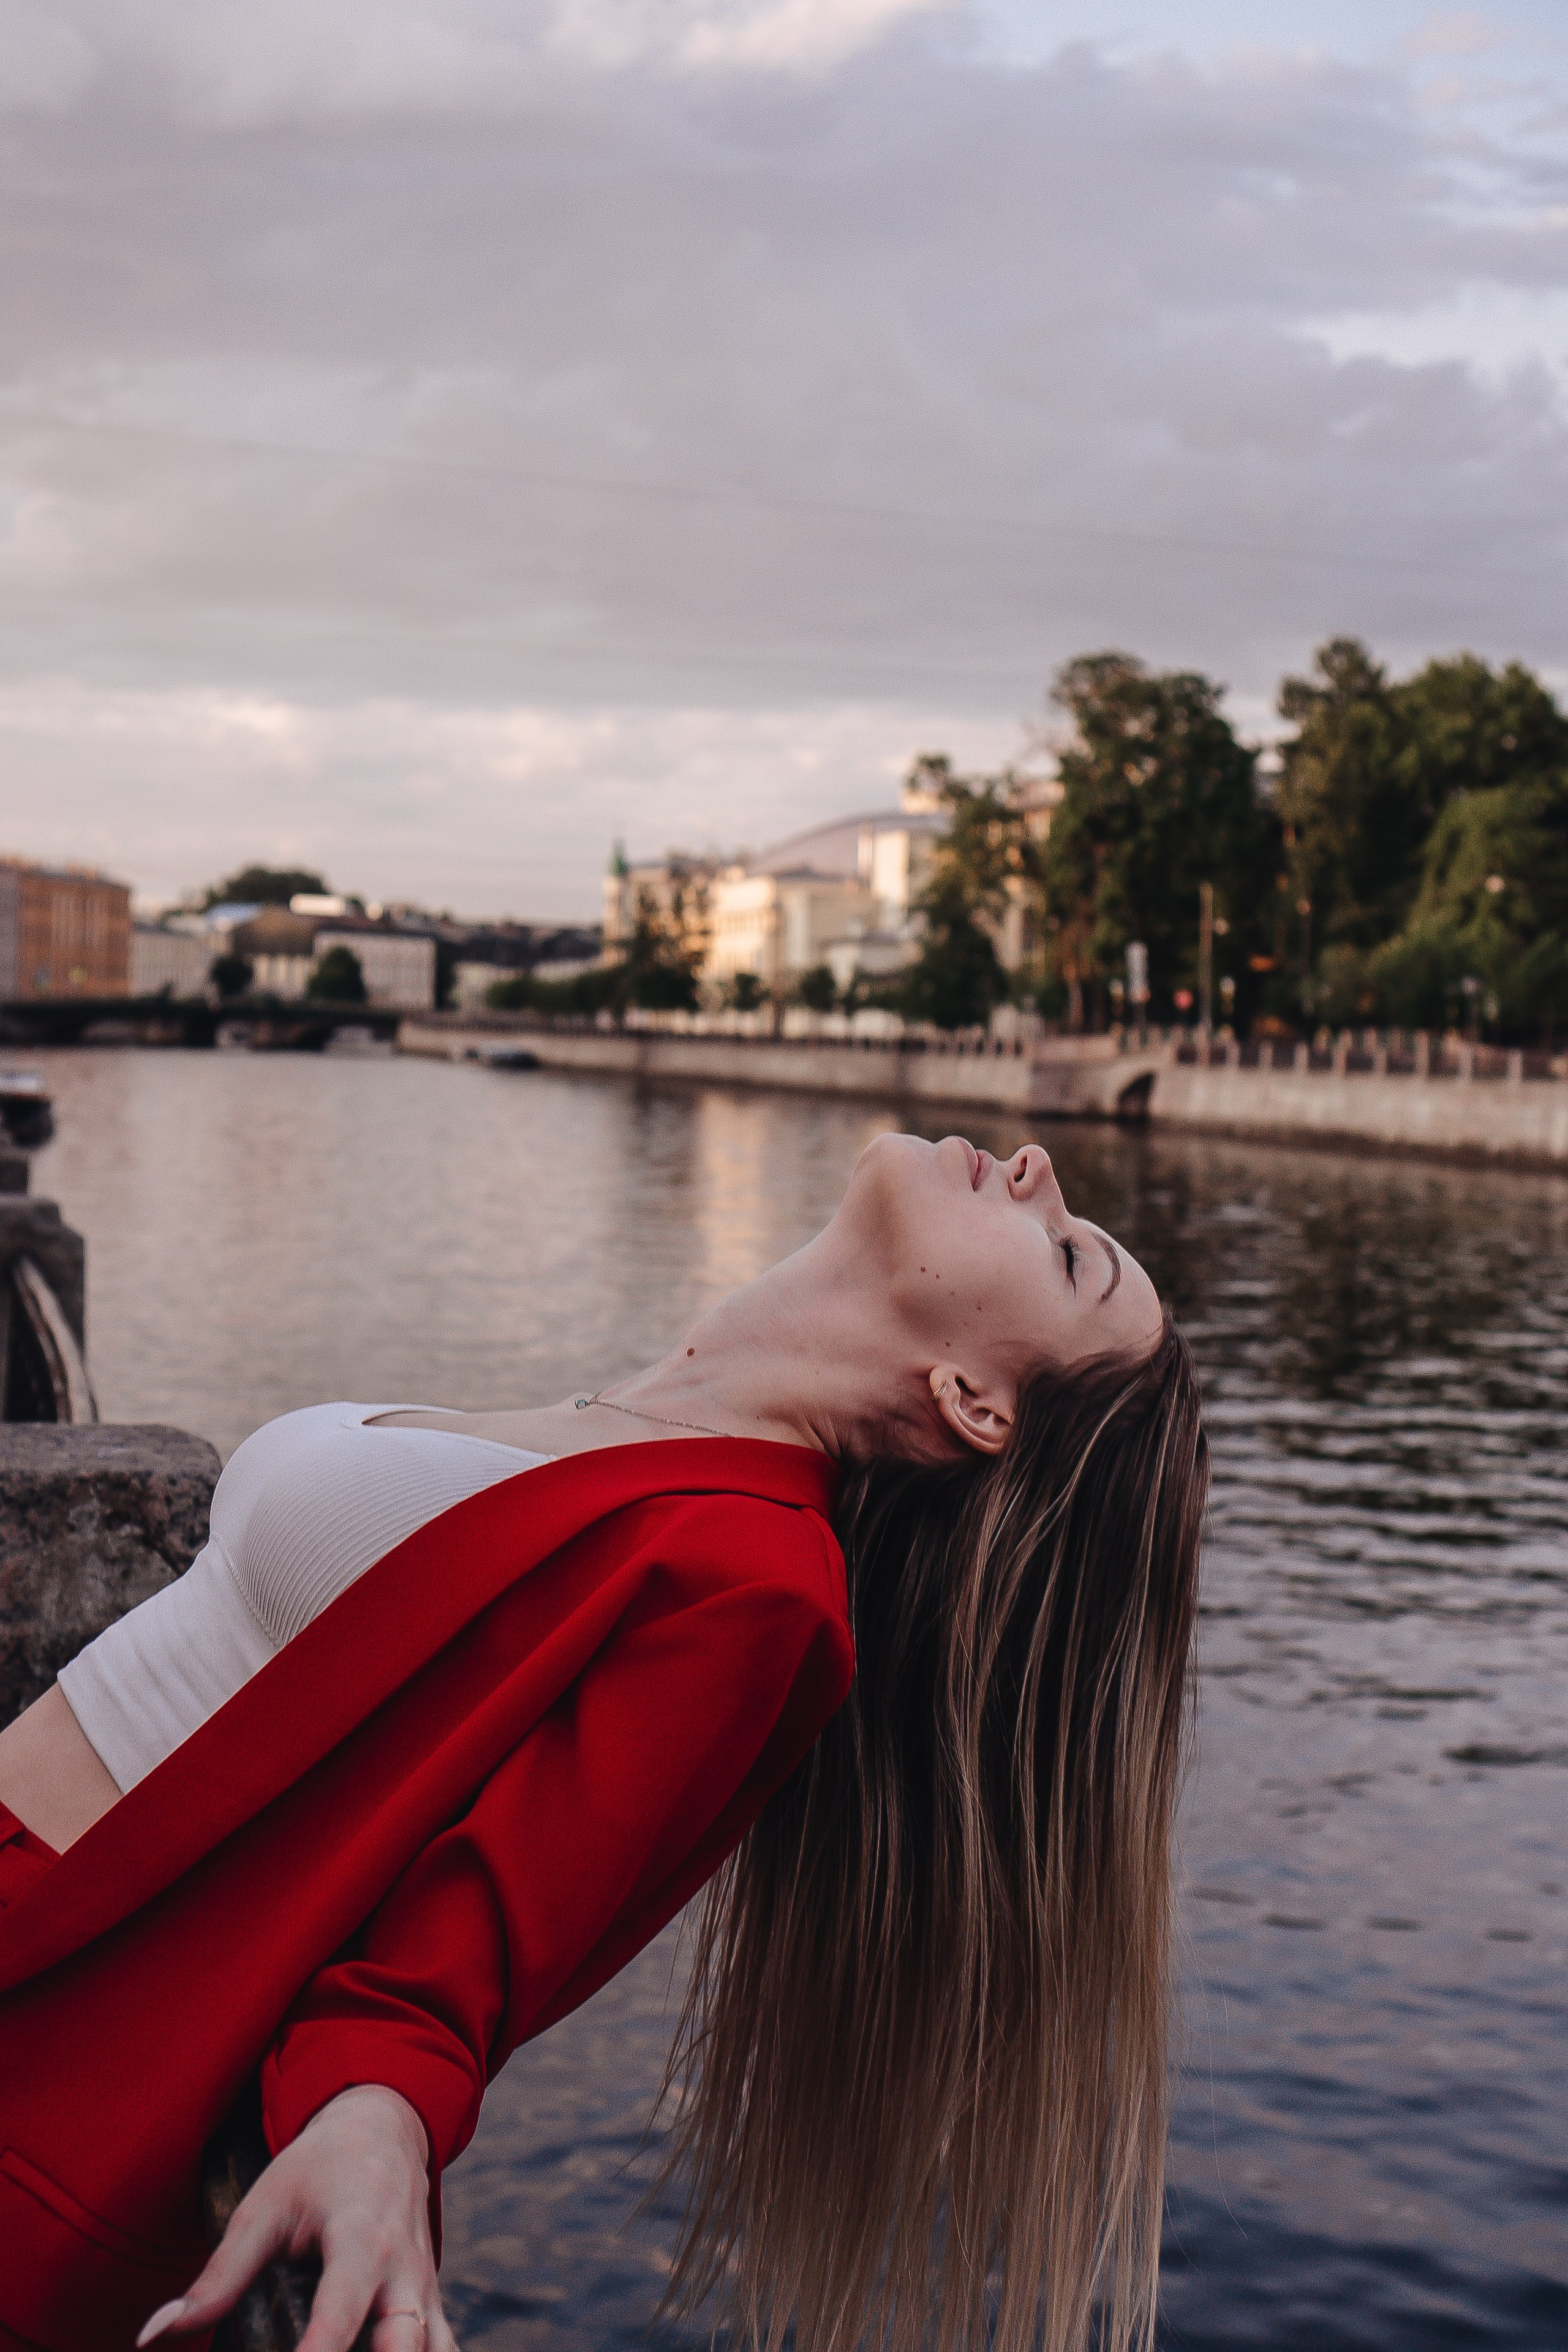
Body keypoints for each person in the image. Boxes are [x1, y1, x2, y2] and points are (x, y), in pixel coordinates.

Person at [0, 1134, 1205, 2352]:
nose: (1035, 1165)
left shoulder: (760, 1589)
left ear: (973, 1400)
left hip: (46, 2021)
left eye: (1063, 1255)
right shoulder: (658, 1430)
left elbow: (455, 1961)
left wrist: (379, 2115)